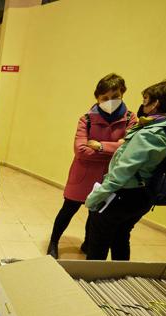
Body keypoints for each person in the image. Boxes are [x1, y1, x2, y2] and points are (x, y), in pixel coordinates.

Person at [85, 80, 166, 261]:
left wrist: (94, 198)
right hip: (145, 196)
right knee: (121, 237)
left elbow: (121, 173)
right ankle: (121, 278)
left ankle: (90, 283)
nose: (143, 103)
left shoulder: (148, 134)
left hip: (123, 196)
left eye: (145, 99)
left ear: (155, 103)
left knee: (98, 242)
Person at [47, 73, 137, 258]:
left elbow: (129, 148)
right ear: (97, 97)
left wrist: (100, 146)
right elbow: (80, 150)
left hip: (109, 177)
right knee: (68, 209)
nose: (110, 101)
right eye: (105, 98)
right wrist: (115, 148)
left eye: (115, 97)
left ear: (123, 94)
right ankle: (54, 242)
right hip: (82, 174)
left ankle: (88, 243)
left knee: (95, 212)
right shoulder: (86, 119)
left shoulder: (130, 119)